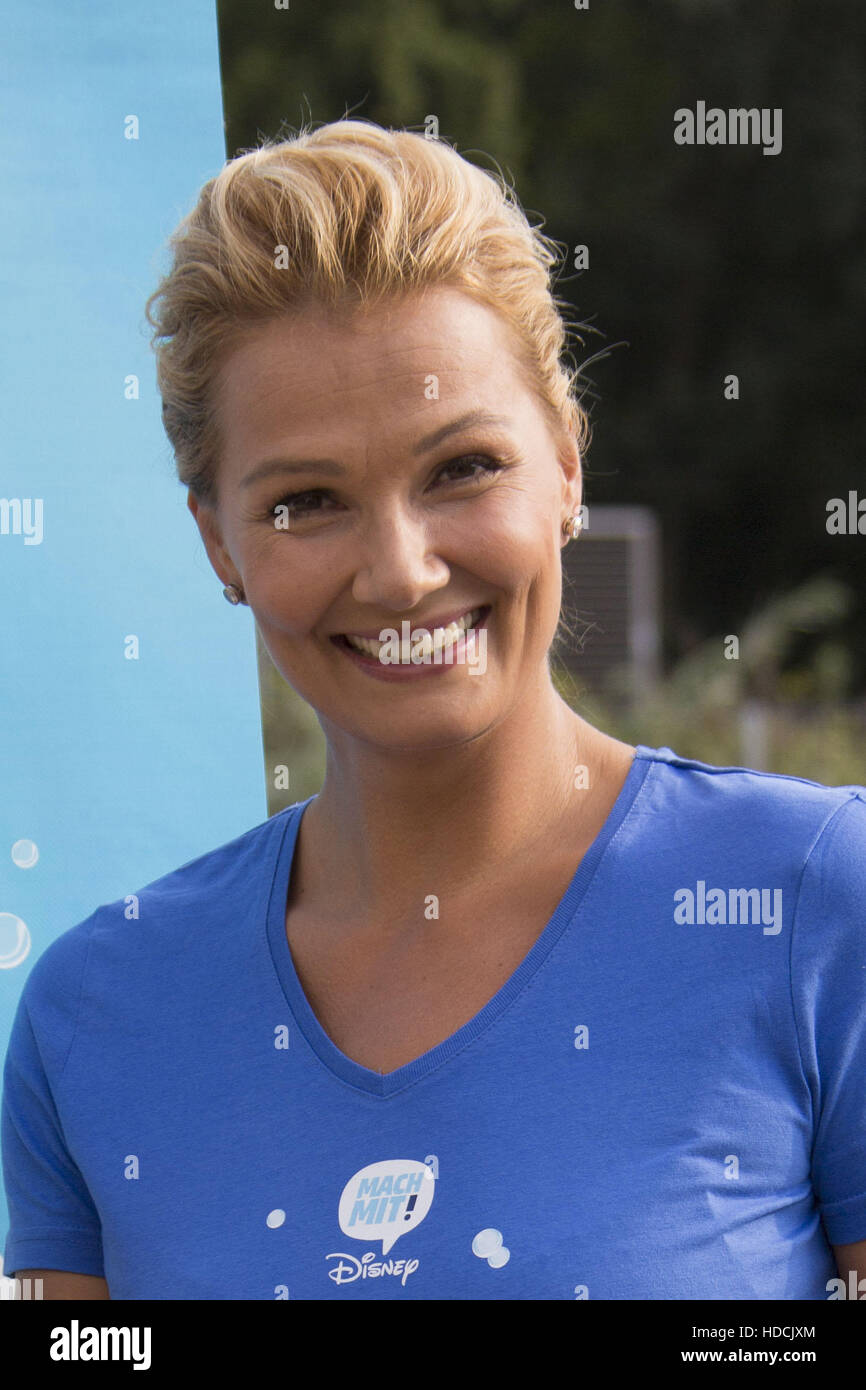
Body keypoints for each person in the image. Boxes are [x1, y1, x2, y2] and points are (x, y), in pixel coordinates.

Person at [3, 119, 865, 1301]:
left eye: (460, 468)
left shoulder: (815, 902)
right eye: (308, 501)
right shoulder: (95, 1013)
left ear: (565, 463)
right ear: (217, 542)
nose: (401, 570)